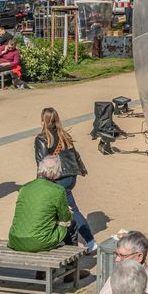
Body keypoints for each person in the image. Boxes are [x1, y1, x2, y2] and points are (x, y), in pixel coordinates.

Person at [34, 108, 96, 253]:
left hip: (56, 180)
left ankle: (89, 241)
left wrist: (39, 183)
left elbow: (42, 162)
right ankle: (84, 240)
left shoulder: (42, 138)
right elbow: (75, 154)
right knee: (69, 210)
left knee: (68, 211)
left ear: (43, 120)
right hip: (70, 177)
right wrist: (81, 169)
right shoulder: (64, 135)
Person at [8, 156, 74, 252]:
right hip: (38, 242)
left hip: (15, 239)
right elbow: (65, 218)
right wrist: (68, 211)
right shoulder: (58, 190)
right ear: (54, 172)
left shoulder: (25, 188)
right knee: (73, 224)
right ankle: (70, 260)